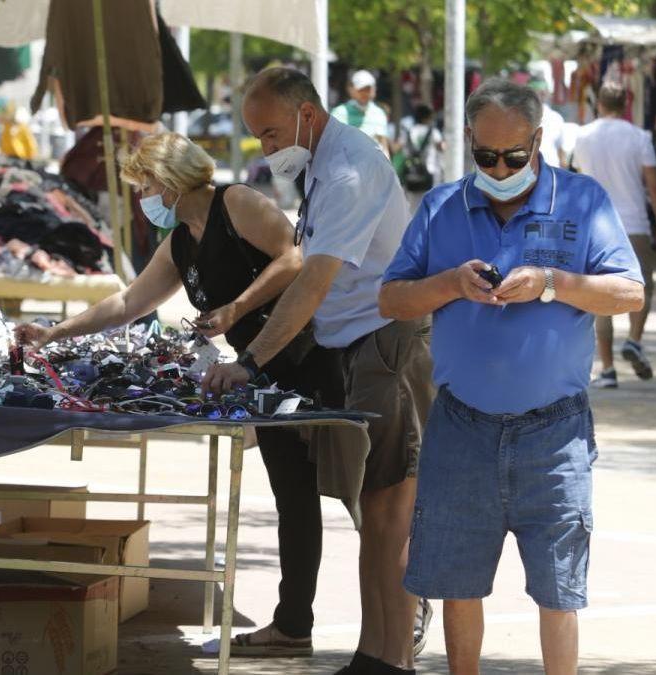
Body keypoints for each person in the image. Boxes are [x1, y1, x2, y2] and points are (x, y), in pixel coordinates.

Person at [15, 132, 345, 658]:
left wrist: (236, 309)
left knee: (356, 494)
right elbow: (128, 301)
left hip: (309, 360)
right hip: (256, 373)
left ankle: (397, 603)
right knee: (295, 497)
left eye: (142, 184)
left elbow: (295, 259)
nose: (141, 196)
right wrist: (56, 332)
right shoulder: (181, 241)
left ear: (166, 182)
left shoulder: (236, 202)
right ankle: (293, 623)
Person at [379, 78, 644, 675]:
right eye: (486, 155)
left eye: (514, 156)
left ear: (540, 140)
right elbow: (392, 299)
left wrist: (552, 283)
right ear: (468, 140)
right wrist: (450, 283)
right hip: (460, 426)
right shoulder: (441, 207)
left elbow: (628, 292)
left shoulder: (582, 200)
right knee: (456, 581)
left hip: (555, 434)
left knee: (559, 589)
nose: (499, 168)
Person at [204, 66, 434, 674]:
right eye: (258, 136)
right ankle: (375, 653)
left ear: (307, 113)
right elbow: (310, 268)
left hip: (384, 344)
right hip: (358, 346)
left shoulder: (348, 169)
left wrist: (253, 361)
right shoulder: (325, 163)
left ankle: (395, 655)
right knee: (375, 507)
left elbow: (314, 278)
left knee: (390, 513)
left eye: (272, 133)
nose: (266, 148)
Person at [572, 82, 656, 388]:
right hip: (634, 223)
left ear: (598, 104)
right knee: (644, 285)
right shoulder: (639, 137)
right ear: (626, 103)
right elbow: (653, 184)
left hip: (593, 226)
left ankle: (608, 370)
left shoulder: (582, 136)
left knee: (601, 293)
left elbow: (574, 178)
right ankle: (634, 340)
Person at [331, 69, 391, 157]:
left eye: (368, 89)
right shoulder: (339, 113)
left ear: (374, 90)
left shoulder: (379, 114)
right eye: (361, 89)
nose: (365, 93)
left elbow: (384, 146)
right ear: (352, 90)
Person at [402, 104, 444, 213]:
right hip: (430, 171)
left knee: (413, 204)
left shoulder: (410, 131)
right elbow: (441, 147)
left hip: (412, 171)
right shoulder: (433, 132)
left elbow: (402, 147)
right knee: (431, 202)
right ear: (427, 117)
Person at [530, 76, 568, 168]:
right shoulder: (520, 117)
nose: (541, 94)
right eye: (538, 91)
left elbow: (561, 152)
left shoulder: (556, 118)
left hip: (552, 172)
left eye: (542, 91)